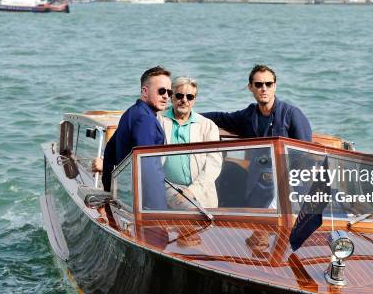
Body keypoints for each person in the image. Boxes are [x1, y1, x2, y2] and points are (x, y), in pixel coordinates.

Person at [203, 64, 312, 207]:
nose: (264, 88)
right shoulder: (248, 115)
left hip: (287, 186)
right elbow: (221, 117)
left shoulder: (291, 114)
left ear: (275, 86)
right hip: (257, 186)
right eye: (259, 84)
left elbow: (306, 154)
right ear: (251, 87)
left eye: (268, 84)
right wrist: (191, 116)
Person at [97, 66, 172, 210]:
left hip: (126, 197)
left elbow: (109, 151)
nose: (166, 96)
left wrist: (108, 189)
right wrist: (157, 209)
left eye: (169, 92)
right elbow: (147, 167)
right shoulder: (145, 119)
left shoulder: (131, 113)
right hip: (146, 204)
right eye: (161, 91)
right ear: (145, 91)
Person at [158, 77, 222, 209]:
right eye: (180, 95)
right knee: (190, 213)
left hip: (201, 191)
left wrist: (192, 190)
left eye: (190, 97)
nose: (184, 100)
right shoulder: (158, 120)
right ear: (171, 96)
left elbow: (214, 163)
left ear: (194, 100)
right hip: (168, 188)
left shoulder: (207, 125)